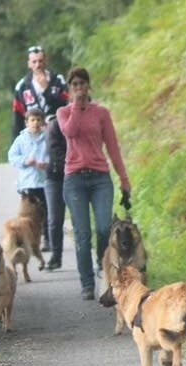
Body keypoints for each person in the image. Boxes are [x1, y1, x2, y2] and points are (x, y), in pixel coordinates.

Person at [56, 67, 132, 300]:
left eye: (82, 84)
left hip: (100, 177)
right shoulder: (63, 112)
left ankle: (103, 270)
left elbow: (113, 147)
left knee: (102, 228)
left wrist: (124, 179)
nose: (79, 88)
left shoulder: (101, 113)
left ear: (89, 86)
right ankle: (87, 282)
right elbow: (70, 132)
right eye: (74, 85)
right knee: (82, 233)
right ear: (69, 89)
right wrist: (78, 106)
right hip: (75, 179)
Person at [12, 45, 69, 138]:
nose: (38, 65)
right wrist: (16, 142)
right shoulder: (21, 87)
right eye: (34, 62)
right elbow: (18, 118)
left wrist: (46, 89)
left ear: (46, 61)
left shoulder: (58, 80)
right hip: (33, 136)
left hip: (56, 132)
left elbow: (65, 105)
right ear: (29, 64)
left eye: (40, 61)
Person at [7, 106, 49, 220]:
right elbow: (12, 157)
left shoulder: (47, 139)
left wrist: (47, 163)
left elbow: (53, 155)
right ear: (26, 123)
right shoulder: (21, 140)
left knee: (45, 211)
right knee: (29, 213)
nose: (35, 123)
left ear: (43, 122)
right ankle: (30, 235)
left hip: (44, 182)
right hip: (27, 182)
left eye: (38, 120)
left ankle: (47, 236)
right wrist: (25, 161)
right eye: (32, 120)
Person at [43, 113, 67, 271]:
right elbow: (53, 152)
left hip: (74, 174)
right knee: (54, 220)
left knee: (79, 222)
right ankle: (56, 256)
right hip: (54, 176)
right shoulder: (54, 127)